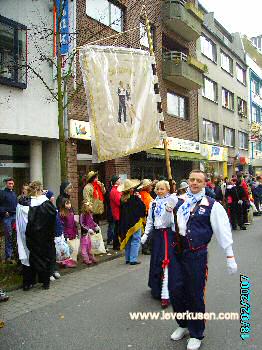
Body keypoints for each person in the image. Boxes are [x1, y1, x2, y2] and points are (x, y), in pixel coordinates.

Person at [168, 170, 237, 350]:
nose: (195, 183)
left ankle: (197, 332)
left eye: (199, 180)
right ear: (188, 181)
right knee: (174, 290)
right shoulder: (179, 200)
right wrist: (168, 207)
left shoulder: (212, 205)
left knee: (194, 293)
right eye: (192, 179)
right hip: (177, 251)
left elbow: (223, 231)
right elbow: (164, 222)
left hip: (196, 254)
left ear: (205, 183)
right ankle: (183, 324)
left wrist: (230, 257)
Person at [141, 180, 178, 308]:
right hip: (157, 235)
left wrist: (170, 209)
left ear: (168, 190)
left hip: (168, 234)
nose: (160, 191)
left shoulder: (172, 201)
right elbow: (150, 220)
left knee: (166, 261)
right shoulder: (154, 203)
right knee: (156, 260)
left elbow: (173, 221)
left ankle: (166, 294)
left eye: (163, 189)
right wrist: (146, 234)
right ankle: (157, 288)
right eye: (158, 188)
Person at [16, 181, 57, 290]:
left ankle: (28, 282)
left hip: (27, 236)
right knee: (42, 257)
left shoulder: (23, 203)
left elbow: (21, 221)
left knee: (28, 257)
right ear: (40, 189)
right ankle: (45, 281)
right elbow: (52, 217)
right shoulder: (45, 203)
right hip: (42, 237)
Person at [118, 179, 146, 265]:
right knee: (136, 240)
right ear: (131, 189)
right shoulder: (135, 199)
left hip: (125, 223)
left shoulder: (122, 200)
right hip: (135, 223)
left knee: (128, 240)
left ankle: (128, 258)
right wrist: (140, 199)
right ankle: (133, 259)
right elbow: (142, 209)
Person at [0, 177, 17, 263]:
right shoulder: (2, 193)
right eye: (9, 184)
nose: (10, 185)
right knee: (9, 236)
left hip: (15, 216)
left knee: (15, 236)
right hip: (7, 217)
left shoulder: (14, 193)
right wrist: (4, 211)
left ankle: (14, 254)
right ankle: (8, 256)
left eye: (12, 184)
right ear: (6, 184)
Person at [45, 190, 61, 281]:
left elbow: (57, 221)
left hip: (55, 233)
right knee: (49, 253)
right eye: (51, 196)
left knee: (54, 253)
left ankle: (54, 269)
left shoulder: (54, 207)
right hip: (49, 234)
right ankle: (49, 272)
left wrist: (59, 232)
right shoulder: (46, 207)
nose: (53, 197)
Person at [59, 198, 79, 265]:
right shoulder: (62, 214)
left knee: (73, 247)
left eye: (69, 203)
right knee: (68, 247)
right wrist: (65, 234)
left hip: (73, 232)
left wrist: (76, 232)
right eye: (67, 203)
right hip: (67, 233)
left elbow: (74, 223)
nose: (69, 205)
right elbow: (62, 225)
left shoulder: (72, 212)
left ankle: (72, 259)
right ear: (63, 205)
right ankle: (66, 261)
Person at [138, 179, 154, 255]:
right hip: (146, 215)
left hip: (147, 215)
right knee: (147, 232)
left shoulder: (145, 194)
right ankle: (145, 247)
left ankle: (146, 247)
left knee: (147, 232)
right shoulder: (144, 194)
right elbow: (147, 206)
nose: (151, 187)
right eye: (150, 186)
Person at [109, 175, 122, 249]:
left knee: (117, 229)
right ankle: (116, 244)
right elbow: (119, 202)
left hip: (118, 213)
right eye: (119, 179)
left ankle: (117, 244)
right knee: (117, 230)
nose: (120, 180)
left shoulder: (117, 190)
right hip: (117, 213)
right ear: (116, 181)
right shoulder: (114, 191)